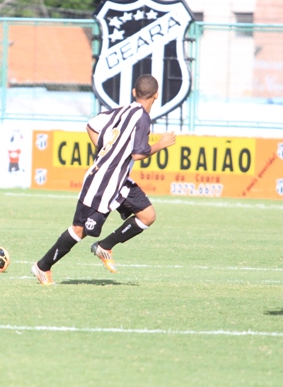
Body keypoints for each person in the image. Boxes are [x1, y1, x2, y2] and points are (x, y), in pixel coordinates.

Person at [31, 75, 176, 284]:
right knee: (79, 230)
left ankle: (105, 246)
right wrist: (161, 144)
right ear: (156, 95)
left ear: (135, 93)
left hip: (119, 180)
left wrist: (104, 150)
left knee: (147, 215)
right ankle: (42, 266)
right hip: (102, 182)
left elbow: (91, 125)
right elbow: (139, 153)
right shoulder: (143, 117)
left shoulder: (122, 110)